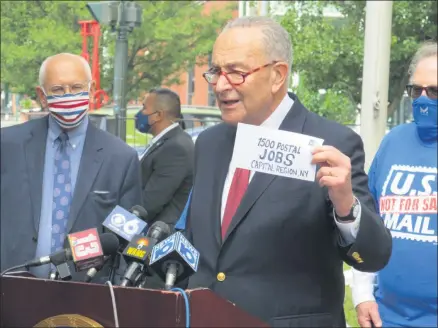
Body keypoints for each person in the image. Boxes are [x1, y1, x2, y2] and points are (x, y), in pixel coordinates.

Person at [182, 16, 392, 326]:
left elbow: (374, 256)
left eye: (237, 73)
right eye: (215, 71)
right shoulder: (209, 143)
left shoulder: (331, 145)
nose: (220, 85)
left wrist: (346, 205)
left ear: (278, 75)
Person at [0, 53, 142, 281]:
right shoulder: (8, 146)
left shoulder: (120, 158)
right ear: (42, 96)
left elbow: (129, 240)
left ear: (91, 89)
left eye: (77, 87)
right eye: (57, 90)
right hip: (12, 287)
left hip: (86, 296)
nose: (68, 96)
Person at [352, 42, 437, 328]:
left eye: (435, 91)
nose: (423, 99)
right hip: (386, 317)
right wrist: (362, 295)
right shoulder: (393, 142)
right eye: (417, 90)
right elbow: (369, 220)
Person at [135, 88, 194, 227]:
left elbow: (150, 203)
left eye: (144, 107)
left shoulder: (176, 148)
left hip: (158, 235)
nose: (140, 113)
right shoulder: (168, 141)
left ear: (158, 115)